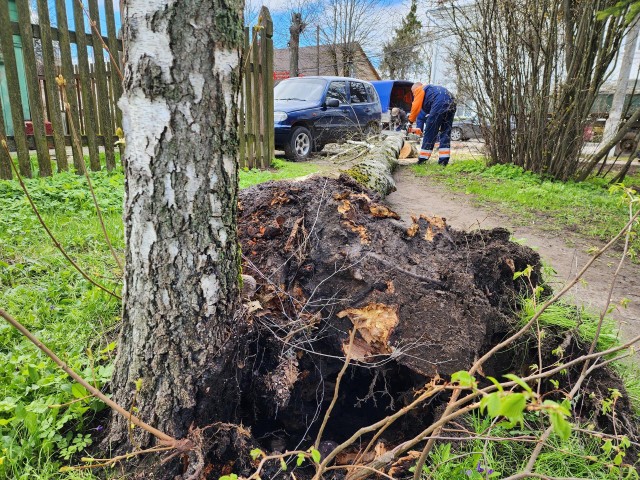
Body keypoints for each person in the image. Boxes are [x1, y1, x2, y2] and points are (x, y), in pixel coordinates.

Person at [408, 82, 457, 166]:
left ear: (415, 89)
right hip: (452, 101)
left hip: (439, 102)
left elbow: (415, 107)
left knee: (430, 132)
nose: (414, 95)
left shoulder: (420, 89)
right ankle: (443, 161)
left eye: (413, 93)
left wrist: (410, 122)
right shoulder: (433, 90)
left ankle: (422, 160)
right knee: (445, 132)